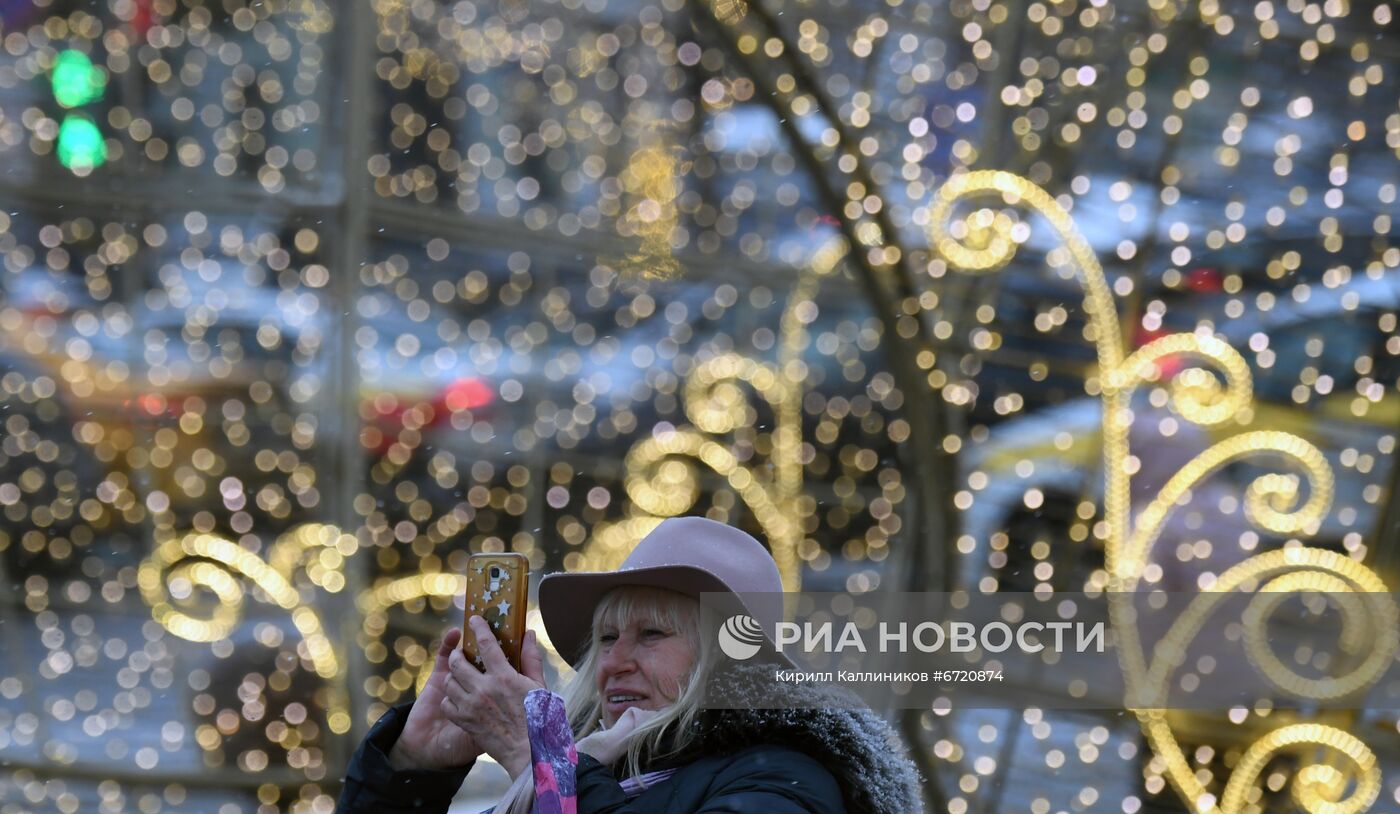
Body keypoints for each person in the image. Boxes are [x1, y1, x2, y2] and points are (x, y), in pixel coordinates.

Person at [338, 516, 923, 812]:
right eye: (607, 636)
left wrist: (537, 750)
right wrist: (412, 770)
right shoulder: (599, 767)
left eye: (650, 635)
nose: (613, 661)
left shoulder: (786, 779)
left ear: (729, 661)